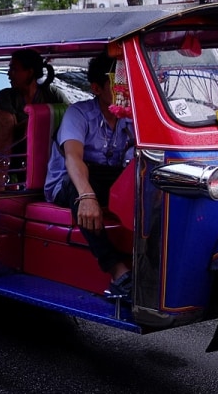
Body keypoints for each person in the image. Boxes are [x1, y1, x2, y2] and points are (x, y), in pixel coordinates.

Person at [44, 55, 136, 301]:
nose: (122, 89)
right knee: (81, 189)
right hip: (68, 182)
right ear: (96, 88)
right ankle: (118, 272)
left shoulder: (128, 118)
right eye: (115, 83)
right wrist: (86, 195)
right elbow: (73, 158)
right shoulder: (79, 113)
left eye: (124, 82)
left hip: (106, 180)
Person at [0, 49, 67, 190]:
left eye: (14, 69)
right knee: (4, 118)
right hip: (13, 151)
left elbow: (68, 114)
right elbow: (9, 129)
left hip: (44, 150)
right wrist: (36, 121)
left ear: (30, 72)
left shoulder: (52, 94)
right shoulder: (6, 95)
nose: (9, 74)